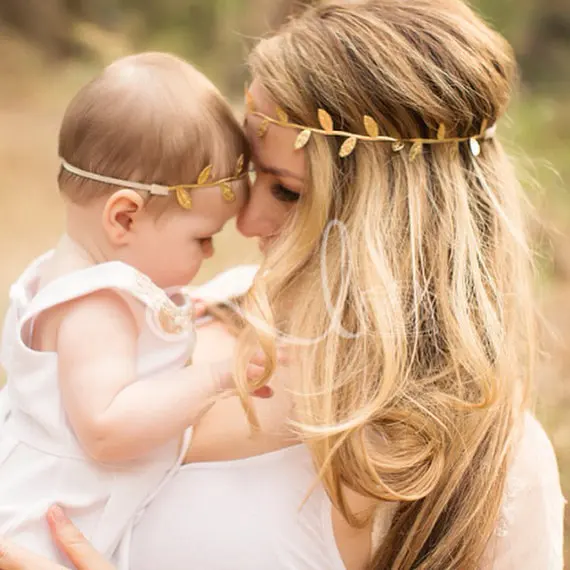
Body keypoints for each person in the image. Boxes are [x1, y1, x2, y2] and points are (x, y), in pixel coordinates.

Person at [0, 1, 565, 569]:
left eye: (288, 192)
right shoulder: (200, 304)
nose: (245, 223)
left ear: (388, 218)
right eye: (252, 178)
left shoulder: (489, 466)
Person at [0, 52, 268, 568]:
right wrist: (215, 378)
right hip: (39, 536)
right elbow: (107, 428)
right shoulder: (95, 306)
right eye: (202, 237)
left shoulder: (71, 273)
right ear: (124, 217)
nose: (211, 253)